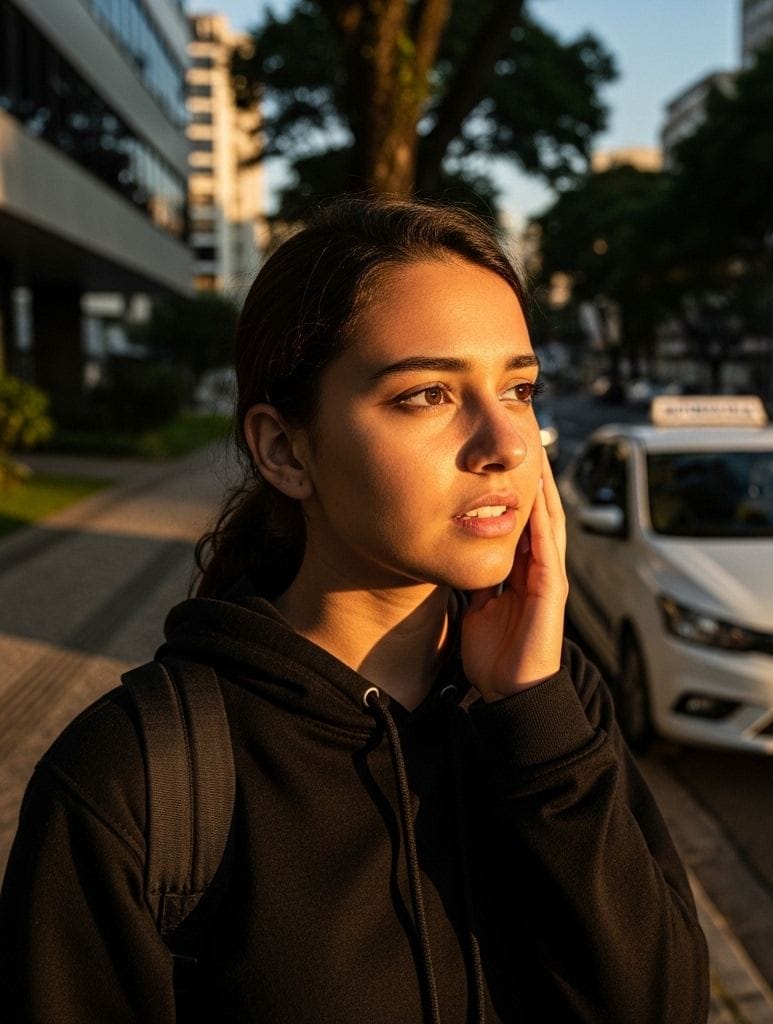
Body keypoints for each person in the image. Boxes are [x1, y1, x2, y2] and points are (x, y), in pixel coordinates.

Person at [0, 195, 709, 1022]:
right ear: (284, 448)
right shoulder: (137, 779)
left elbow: (663, 1007)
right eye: (427, 396)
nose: (508, 445)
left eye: (518, 388)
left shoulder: (555, 702)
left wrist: (538, 729)